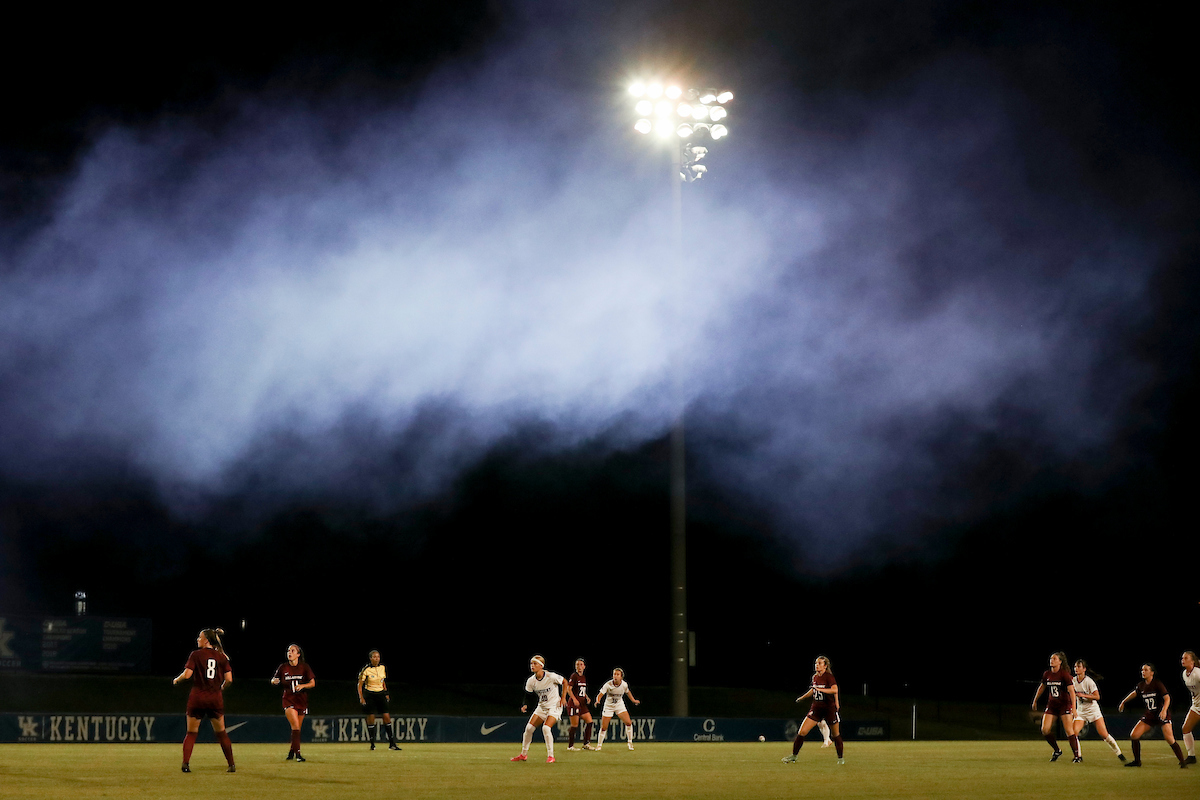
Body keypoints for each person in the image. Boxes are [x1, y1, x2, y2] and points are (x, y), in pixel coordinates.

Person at [172, 628, 235, 773]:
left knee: (191, 733)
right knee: (221, 733)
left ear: (206, 640)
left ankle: (186, 764)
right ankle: (231, 764)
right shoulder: (222, 656)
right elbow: (229, 679)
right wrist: (222, 687)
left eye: (199, 637)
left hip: (197, 698)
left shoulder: (196, 655)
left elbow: (187, 675)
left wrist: (177, 680)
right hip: (215, 699)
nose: (197, 639)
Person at [1117, 662, 1188, 768]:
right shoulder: (1141, 685)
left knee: (1169, 738)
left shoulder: (1157, 684)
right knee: (1134, 735)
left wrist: (1164, 710)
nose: (1143, 672)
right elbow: (1135, 693)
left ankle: (1183, 762)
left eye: (1146, 670)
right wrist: (1123, 701)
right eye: (1142, 670)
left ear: (1152, 673)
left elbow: (1167, 698)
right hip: (1150, 715)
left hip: (1161, 714)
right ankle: (1137, 761)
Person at [511, 655, 576, 763]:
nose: (532, 666)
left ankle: (551, 756)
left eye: (535, 663)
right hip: (542, 706)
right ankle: (523, 755)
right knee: (528, 729)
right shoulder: (531, 681)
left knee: (546, 728)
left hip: (554, 706)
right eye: (531, 663)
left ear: (541, 666)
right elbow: (528, 695)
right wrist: (525, 704)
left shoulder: (550, 676)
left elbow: (565, 681)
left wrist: (563, 697)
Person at [782, 655, 844, 765]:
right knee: (802, 732)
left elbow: (834, 690)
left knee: (835, 734)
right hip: (816, 708)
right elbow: (813, 690)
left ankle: (840, 759)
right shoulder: (815, 677)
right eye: (816, 663)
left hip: (829, 709)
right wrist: (802, 697)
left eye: (820, 663)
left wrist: (835, 702)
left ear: (825, 666)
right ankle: (794, 756)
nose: (817, 665)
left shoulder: (829, 677)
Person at [1068, 659, 1124, 761]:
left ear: (1084, 669)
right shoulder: (1073, 681)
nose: (1076, 668)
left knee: (1104, 734)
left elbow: (1097, 697)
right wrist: (1073, 709)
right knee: (1073, 733)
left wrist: (1083, 695)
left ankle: (1119, 753)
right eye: (1075, 666)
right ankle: (1078, 757)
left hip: (1093, 710)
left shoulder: (1089, 681)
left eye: (1079, 666)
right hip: (1081, 711)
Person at [1031, 651, 1081, 762]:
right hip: (1052, 705)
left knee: (1069, 731)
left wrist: (1073, 707)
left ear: (1060, 661)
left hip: (1064, 705)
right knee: (1045, 729)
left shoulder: (1064, 674)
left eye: (1054, 659)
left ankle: (1077, 756)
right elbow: (1042, 687)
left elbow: (1072, 692)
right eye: (1051, 658)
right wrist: (1035, 700)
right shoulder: (1047, 674)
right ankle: (1057, 750)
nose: (1051, 660)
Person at [271, 643, 316, 761]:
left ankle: (291, 751)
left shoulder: (304, 667)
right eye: (288, 651)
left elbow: (312, 683)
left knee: (297, 729)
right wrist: (274, 681)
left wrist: (303, 686)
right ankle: (298, 755)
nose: (289, 653)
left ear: (298, 654)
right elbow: (274, 679)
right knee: (295, 726)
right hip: (288, 699)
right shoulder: (283, 667)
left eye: (292, 651)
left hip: (301, 700)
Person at [358, 649, 400, 752]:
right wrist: (361, 697)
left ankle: (392, 744)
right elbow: (360, 684)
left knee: (386, 716)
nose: (377, 659)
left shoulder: (382, 668)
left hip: (380, 693)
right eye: (375, 657)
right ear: (371, 658)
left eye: (378, 657)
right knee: (371, 717)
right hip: (370, 694)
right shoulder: (366, 669)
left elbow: (383, 681)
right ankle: (372, 744)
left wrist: (386, 693)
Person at [593, 667, 641, 751]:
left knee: (628, 722)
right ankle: (599, 745)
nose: (615, 676)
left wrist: (633, 700)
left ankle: (630, 743)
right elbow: (600, 694)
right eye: (614, 674)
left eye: (617, 674)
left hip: (619, 705)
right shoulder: (608, 684)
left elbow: (627, 692)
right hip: (608, 706)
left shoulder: (624, 684)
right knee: (604, 727)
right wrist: (597, 701)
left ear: (621, 677)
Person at [565, 658, 595, 751]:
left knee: (589, 722)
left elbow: (581, 690)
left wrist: (586, 697)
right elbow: (568, 689)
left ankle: (586, 743)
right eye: (577, 664)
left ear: (584, 666)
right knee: (574, 725)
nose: (579, 666)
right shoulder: (574, 676)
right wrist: (574, 699)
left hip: (582, 704)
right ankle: (570, 746)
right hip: (574, 704)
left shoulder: (583, 677)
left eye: (581, 664)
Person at [1181, 651, 1199, 764]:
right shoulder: (1184, 674)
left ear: (1192, 661)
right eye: (1182, 658)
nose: (1182, 660)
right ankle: (1191, 756)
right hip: (1196, 706)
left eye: (1186, 658)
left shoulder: (1198, 673)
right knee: (1186, 729)